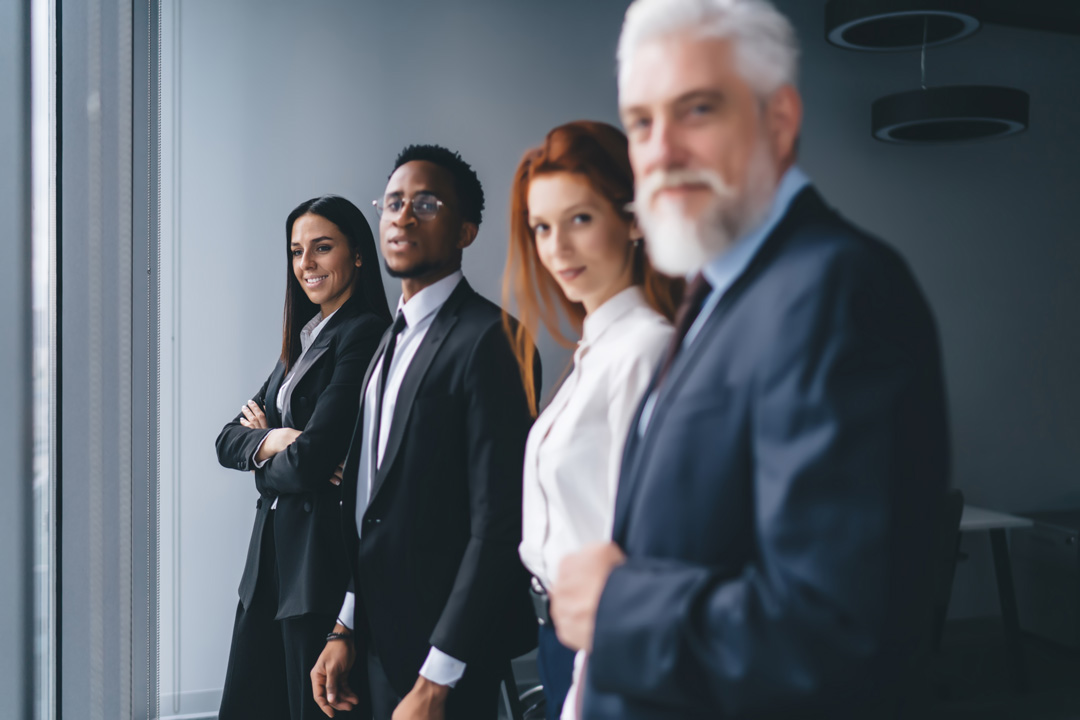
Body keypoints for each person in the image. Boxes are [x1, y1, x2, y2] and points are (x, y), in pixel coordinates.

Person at [548, 1, 951, 718]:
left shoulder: (839, 289)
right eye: (641, 122)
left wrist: (619, 606)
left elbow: (837, 633)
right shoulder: (718, 294)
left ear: (779, 120)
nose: (661, 150)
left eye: (696, 110)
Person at [310, 145, 539, 720]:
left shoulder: (493, 340)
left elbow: (498, 524)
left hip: (447, 655)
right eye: (393, 203)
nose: (403, 216)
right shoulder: (389, 338)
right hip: (381, 643)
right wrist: (345, 624)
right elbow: (378, 506)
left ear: (466, 230)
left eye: (426, 203)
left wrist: (439, 677)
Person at [502, 120, 679, 720]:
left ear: (632, 219)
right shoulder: (597, 351)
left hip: (601, 640)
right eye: (542, 228)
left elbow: (635, 548)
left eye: (580, 219)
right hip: (560, 631)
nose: (557, 249)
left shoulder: (643, 351)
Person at [215, 194, 392, 720]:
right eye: (297, 252)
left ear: (358, 254)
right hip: (269, 568)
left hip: (317, 572)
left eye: (321, 248)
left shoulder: (363, 334)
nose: (306, 265)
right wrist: (281, 439)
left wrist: (281, 448)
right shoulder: (302, 342)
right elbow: (227, 439)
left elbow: (316, 461)